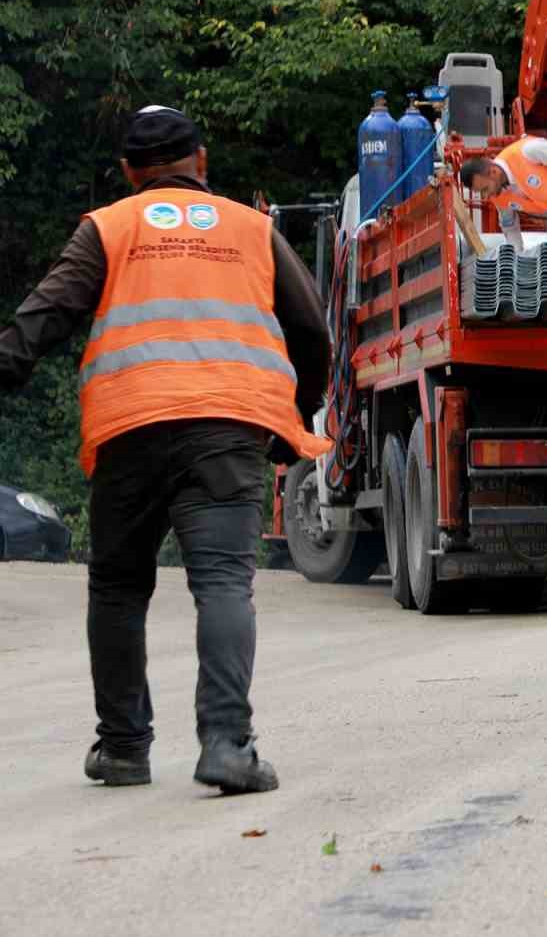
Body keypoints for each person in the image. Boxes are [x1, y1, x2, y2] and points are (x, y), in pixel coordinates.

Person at [0, 105, 332, 793]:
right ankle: (226, 747)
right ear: (201, 161)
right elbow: (312, 330)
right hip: (229, 428)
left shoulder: (109, 228)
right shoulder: (251, 227)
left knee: (119, 586)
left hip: (132, 428)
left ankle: (123, 749)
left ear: (127, 172)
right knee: (222, 585)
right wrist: (289, 418)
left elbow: (45, 314)